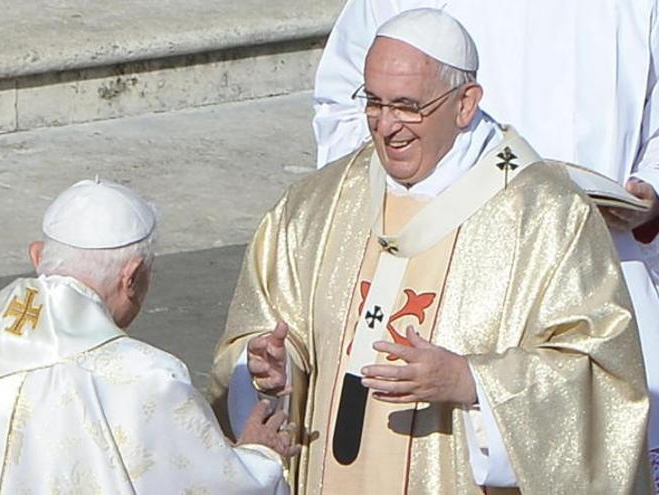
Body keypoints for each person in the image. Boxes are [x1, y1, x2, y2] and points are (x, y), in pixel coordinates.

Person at [210, 9, 651, 494]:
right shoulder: (316, 207)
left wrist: (471, 381)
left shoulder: (547, 217)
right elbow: (268, 329)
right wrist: (276, 370)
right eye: (374, 104)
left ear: (465, 105)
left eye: (407, 106)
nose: (386, 126)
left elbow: (597, 374)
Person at [0, 179, 294, 494]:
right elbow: (211, 485)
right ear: (132, 278)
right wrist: (259, 458)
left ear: (38, 256)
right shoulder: (144, 377)